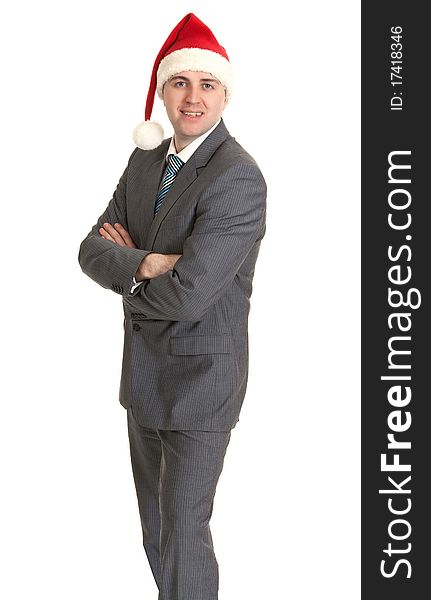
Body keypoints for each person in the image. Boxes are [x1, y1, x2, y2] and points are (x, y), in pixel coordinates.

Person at [78, 12, 266, 600]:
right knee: (157, 534)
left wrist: (131, 272)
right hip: (145, 381)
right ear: (162, 92)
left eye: (207, 85)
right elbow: (89, 250)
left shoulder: (237, 178)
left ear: (224, 94)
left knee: (185, 533)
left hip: (200, 383)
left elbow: (191, 295)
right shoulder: (144, 163)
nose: (192, 98)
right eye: (180, 84)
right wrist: (155, 262)